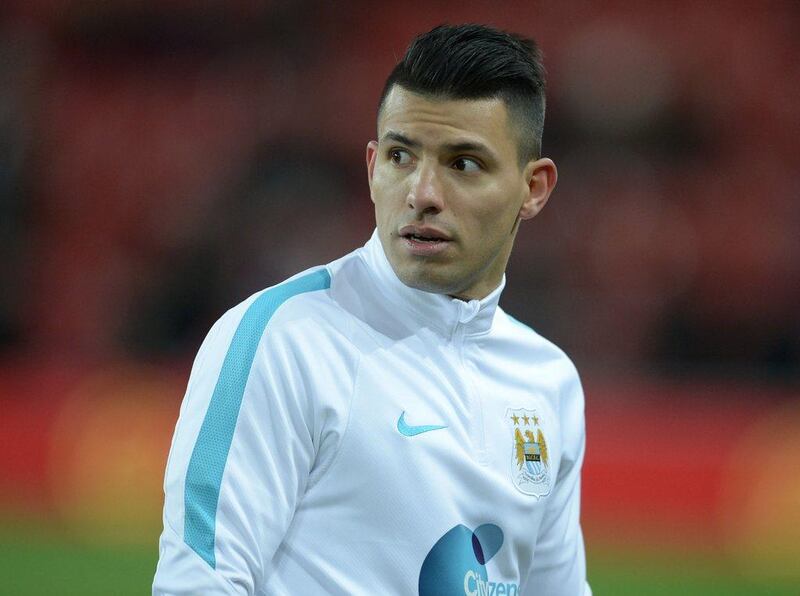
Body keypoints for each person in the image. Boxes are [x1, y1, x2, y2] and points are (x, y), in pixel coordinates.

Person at [153, 23, 590, 595]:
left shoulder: (548, 380)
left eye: (463, 164)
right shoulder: (282, 342)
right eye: (401, 155)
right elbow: (197, 585)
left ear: (534, 188)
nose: (422, 193)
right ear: (370, 166)